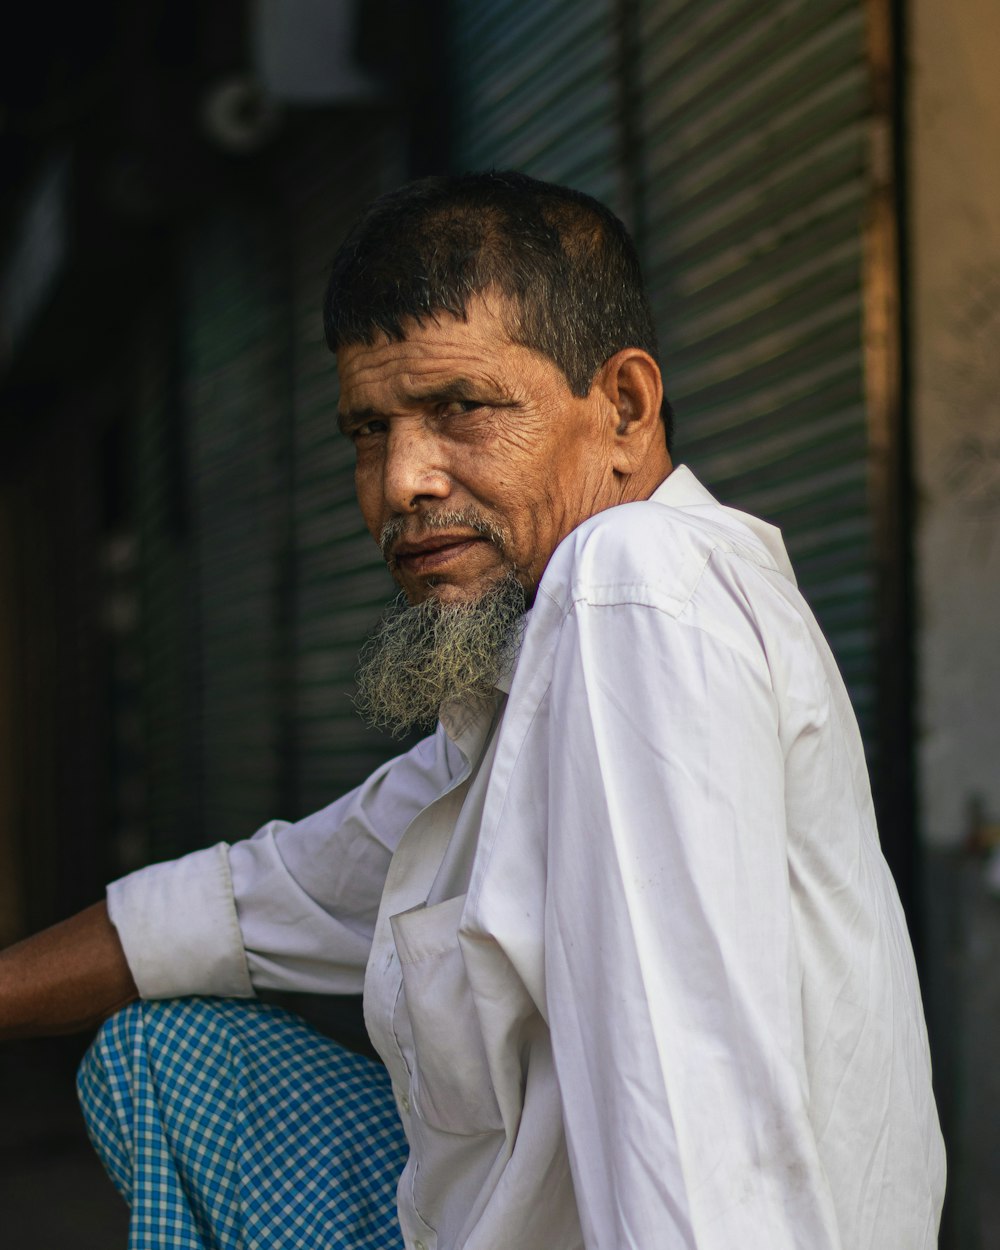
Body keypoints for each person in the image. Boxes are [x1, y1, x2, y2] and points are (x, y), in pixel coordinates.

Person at [0, 171, 944, 1249]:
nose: (401, 479)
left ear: (625, 408)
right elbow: (246, 901)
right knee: (165, 1053)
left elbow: (688, 1115)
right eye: (367, 429)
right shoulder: (519, 686)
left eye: (461, 408)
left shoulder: (634, 581)